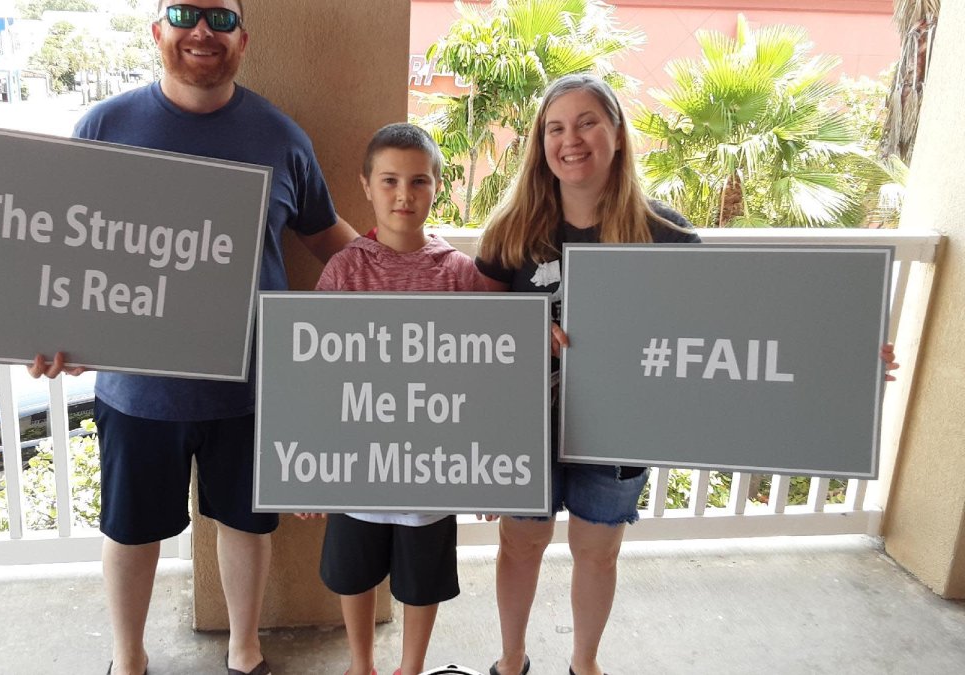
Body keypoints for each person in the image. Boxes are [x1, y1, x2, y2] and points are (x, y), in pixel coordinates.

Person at [473, 73, 900, 675]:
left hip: (619, 430)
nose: (571, 139)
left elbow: (731, 330)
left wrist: (840, 359)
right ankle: (511, 661)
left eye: (588, 121)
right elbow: (476, 337)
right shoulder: (509, 229)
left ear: (617, 134)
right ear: (540, 144)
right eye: (555, 127)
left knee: (597, 555)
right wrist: (519, 338)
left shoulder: (666, 235)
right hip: (525, 426)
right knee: (520, 548)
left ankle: (583, 664)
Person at [28, 2, 357, 674]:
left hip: (250, 385)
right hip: (136, 387)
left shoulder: (282, 137)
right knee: (130, 530)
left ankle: (245, 651)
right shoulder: (105, 125)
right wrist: (42, 327)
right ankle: (127, 659)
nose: (201, 29)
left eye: (220, 17)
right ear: (158, 33)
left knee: (247, 524)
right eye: (182, 13)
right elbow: (59, 243)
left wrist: (409, 263)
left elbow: (329, 240)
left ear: (243, 39)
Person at [299, 123, 483, 675]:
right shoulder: (345, 270)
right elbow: (313, 371)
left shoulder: (458, 274)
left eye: (419, 181)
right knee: (353, 575)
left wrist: (493, 468)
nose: (404, 195)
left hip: (432, 465)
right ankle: (362, 665)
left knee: (421, 582)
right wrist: (306, 466)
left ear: (436, 186)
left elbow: (484, 376)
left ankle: (410, 668)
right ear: (366, 186)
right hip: (357, 464)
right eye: (390, 181)